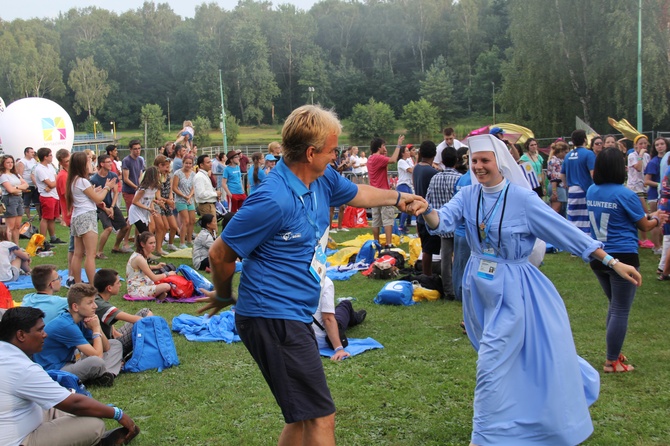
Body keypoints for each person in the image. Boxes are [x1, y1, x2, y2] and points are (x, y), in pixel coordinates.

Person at [197, 104, 426, 446]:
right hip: (271, 316)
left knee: (303, 415)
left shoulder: (322, 177)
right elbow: (219, 253)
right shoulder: (273, 199)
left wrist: (399, 197)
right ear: (310, 152)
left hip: (293, 314)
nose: (336, 157)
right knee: (321, 418)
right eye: (333, 150)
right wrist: (223, 293)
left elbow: (358, 194)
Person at [420, 134, 641, 446]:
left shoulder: (522, 199)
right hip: (478, 291)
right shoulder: (468, 195)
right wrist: (425, 209)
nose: (479, 167)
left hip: (514, 291)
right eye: (475, 161)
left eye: (486, 161)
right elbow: (442, 222)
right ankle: (528, 414)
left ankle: (483, 438)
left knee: (491, 364)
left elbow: (565, 232)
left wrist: (613, 262)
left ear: (499, 163)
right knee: (511, 358)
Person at [0, 306, 140, 446]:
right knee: (94, 424)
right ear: (21, 335)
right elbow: (74, 404)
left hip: (23, 418)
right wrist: (117, 413)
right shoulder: (22, 369)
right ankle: (98, 442)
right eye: (40, 330)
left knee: (78, 407)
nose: (45, 334)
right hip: (19, 440)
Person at [587, 147, 666, 373]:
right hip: (623, 257)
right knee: (621, 309)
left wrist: (649, 218)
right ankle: (612, 361)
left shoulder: (592, 190)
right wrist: (657, 219)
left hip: (598, 255)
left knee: (615, 307)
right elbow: (644, 225)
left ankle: (614, 352)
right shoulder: (626, 194)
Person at [34, 284, 124, 386]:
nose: (95, 306)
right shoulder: (66, 325)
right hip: (55, 371)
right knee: (96, 362)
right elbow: (98, 356)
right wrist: (95, 330)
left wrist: (97, 327)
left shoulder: (80, 319)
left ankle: (106, 375)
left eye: (94, 301)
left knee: (115, 344)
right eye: (90, 303)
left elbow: (106, 347)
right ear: (75, 307)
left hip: (71, 361)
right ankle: (99, 375)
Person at [66, 152, 117, 284]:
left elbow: (89, 196)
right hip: (86, 216)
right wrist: (107, 187)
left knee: (77, 254)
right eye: (88, 161)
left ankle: (77, 283)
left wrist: (98, 190)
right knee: (90, 254)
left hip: (77, 217)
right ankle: (92, 285)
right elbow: (97, 199)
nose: (91, 164)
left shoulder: (73, 180)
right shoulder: (82, 181)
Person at [426, 147, 462, 299]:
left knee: (445, 260)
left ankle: (449, 290)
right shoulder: (460, 178)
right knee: (461, 260)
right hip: (459, 226)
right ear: (457, 161)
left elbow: (428, 199)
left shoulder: (435, 178)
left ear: (441, 161)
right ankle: (461, 287)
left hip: (442, 224)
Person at [93, 269, 152, 357]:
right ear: (109, 288)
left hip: (110, 339)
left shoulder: (97, 299)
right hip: (109, 348)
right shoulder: (100, 305)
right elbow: (135, 319)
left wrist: (114, 331)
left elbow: (105, 318)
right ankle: (149, 351)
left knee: (144, 312)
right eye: (118, 283)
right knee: (145, 314)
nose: (120, 285)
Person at [311, 277, 366, 361]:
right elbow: (328, 319)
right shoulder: (324, 281)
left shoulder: (287, 280)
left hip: (297, 338)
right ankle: (356, 317)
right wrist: (339, 349)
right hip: (320, 339)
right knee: (345, 305)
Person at [90, 155, 132, 258]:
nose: (110, 164)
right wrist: (106, 209)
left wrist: (112, 208)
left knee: (125, 226)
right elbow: (93, 198)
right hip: (99, 207)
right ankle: (99, 252)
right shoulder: (94, 179)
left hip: (110, 205)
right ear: (102, 164)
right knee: (108, 228)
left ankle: (116, 247)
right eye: (108, 162)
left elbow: (116, 192)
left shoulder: (113, 175)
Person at [368, 135, 404, 248]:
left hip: (373, 193)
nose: (385, 147)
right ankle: (388, 243)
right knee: (388, 218)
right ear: (379, 147)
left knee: (376, 219)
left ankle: (376, 242)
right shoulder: (378, 158)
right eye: (384, 145)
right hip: (383, 193)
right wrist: (398, 145)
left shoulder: (370, 158)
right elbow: (393, 160)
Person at [413, 141, 442, 276]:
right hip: (429, 214)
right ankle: (427, 276)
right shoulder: (432, 172)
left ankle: (427, 274)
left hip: (419, 214)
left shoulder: (417, 168)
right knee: (429, 250)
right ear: (435, 154)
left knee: (426, 248)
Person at [561, 129, 596, 234]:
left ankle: (574, 241)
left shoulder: (568, 156)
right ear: (585, 139)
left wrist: (567, 185)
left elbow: (562, 175)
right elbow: (593, 173)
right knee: (585, 218)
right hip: (585, 189)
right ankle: (586, 241)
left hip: (572, 190)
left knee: (573, 218)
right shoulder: (589, 154)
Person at [126, 231, 177, 300]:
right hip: (137, 290)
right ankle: (158, 294)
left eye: (154, 242)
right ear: (142, 244)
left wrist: (156, 267)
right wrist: (168, 274)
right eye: (151, 243)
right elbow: (154, 278)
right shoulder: (139, 259)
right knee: (166, 286)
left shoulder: (140, 255)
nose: (154, 245)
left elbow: (141, 268)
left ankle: (158, 294)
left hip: (143, 284)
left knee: (163, 281)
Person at [54, 149, 76, 287]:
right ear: (61, 162)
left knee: (77, 248)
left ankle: (73, 274)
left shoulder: (69, 174)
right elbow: (68, 196)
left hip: (74, 213)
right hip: (72, 214)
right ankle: (71, 276)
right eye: (67, 161)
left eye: (70, 160)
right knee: (74, 248)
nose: (69, 163)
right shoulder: (63, 176)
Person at [34, 147, 64, 244]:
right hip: (47, 196)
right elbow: (52, 183)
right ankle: (42, 241)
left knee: (52, 218)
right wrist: (54, 183)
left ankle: (53, 238)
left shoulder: (50, 166)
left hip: (54, 195)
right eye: (50, 155)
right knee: (46, 218)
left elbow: (55, 178)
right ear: (45, 157)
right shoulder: (39, 169)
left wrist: (53, 184)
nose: (52, 157)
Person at [644, 136, 667, 253]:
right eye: (657, 145)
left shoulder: (667, 159)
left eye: (662, 144)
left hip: (664, 195)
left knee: (664, 221)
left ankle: (662, 245)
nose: (660, 146)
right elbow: (646, 180)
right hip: (654, 195)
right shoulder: (653, 162)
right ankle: (656, 246)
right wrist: (660, 184)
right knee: (656, 221)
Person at [0, 154, 29, 244]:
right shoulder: (3, 176)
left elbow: (26, 184)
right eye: (7, 162)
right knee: (10, 226)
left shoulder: (15, 174)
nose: (10, 164)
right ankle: (8, 245)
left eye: (11, 162)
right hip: (9, 199)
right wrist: (18, 188)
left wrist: (16, 187)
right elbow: (10, 190)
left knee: (17, 225)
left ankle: (17, 245)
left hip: (18, 198)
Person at [154, 155, 179, 253]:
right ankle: (158, 247)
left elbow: (170, 190)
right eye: (167, 167)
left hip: (167, 203)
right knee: (163, 227)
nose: (168, 170)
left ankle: (170, 244)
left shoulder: (168, 176)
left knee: (173, 227)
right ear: (160, 165)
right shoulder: (157, 177)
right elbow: (158, 195)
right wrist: (167, 201)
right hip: (159, 203)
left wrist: (171, 199)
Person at [127, 166, 162, 235]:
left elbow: (151, 200)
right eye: (158, 173)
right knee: (145, 233)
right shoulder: (143, 189)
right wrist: (148, 208)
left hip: (144, 212)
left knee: (144, 233)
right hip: (136, 212)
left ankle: (139, 244)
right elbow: (134, 201)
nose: (159, 175)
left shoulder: (154, 188)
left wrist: (152, 210)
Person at [172, 156, 196, 249]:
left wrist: (189, 196)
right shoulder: (178, 173)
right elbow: (174, 187)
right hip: (180, 200)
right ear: (183, 163)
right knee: (185, 221)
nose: (188, 165)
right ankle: (182, 242)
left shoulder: (193, 174)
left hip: (190, 199)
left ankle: (189, 240)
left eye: (190, 163)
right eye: (186, 163)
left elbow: (194, 187)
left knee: (192, 220)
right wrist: (184, 196)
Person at [16, 147, 41, 220]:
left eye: (33, 152)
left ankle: (40, 216)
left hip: (34, 184)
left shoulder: (34, 160)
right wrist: (23, 185)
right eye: (31, 152)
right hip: (27, 184)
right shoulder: (22, 162)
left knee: (37, 201)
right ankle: (29, 217)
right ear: (26, 153)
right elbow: (20, 174)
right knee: (27, 202)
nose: (33, 153)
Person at [547, 140, 569, 216]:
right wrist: (554, 192)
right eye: (565, 152)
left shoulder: (560, 160)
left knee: (561, 209)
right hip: (557, 186)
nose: (566, 154)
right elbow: (554, 178)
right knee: (556, 209)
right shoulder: (555, 161)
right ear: (560, 151)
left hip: (560, 186)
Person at [396, 145, 415, 234]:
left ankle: (405, 224)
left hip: (408, 185)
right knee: (405, 206)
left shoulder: (408, 160)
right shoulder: (401, 161)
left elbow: (414, 168)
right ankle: (401, 226)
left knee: (411, 205)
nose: (409, 152)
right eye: (407, 151)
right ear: (403, 153)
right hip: (402, 185)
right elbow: (411, 170)